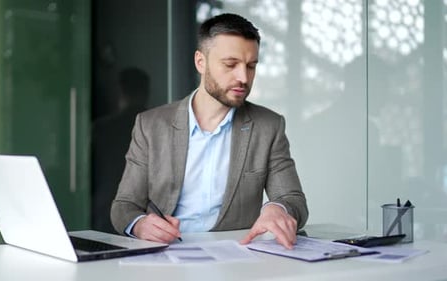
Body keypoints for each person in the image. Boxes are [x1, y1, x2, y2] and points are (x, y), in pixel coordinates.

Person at [111, 13, 308, 249]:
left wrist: (277, 208)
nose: (243, 77)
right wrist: (141, 224)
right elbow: (123, 205)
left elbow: (293, 199)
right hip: (165, 256)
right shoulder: (151, 125)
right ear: (200, 62)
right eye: (230, 64)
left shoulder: (268, 126)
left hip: (235, 259)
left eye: (251, 66)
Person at [92, 67, 150, 233]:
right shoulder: (159, 127)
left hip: (105, 205)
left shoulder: (103, 128)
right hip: (146, 212)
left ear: (120, 91)